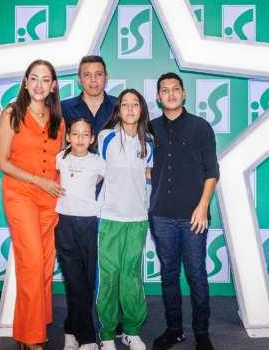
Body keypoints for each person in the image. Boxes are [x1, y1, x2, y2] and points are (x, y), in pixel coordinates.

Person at [0, 59, 65, 350]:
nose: (39, 85)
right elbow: (1, 161)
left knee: (45, 266)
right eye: (34, 78)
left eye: (45, 79)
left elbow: (61, 161)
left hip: (50, 199)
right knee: (32, 263)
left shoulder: (58, 119)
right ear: (25, 82)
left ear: (53, 86)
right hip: (20, 195)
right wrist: (38, 180)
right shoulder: (12, 113)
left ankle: (29, 329)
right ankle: (33, 338)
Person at [148, 73, 219, 350]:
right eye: (164, 90)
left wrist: (203, 207)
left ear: (184, 93)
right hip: (161, 215)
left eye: (175, 89)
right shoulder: (150, 128)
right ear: (158, 97)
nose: (171, 94)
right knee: (168, 274)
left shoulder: (201, 127)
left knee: (196, 274)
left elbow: (212, 171)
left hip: (193, 216)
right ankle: (174, 329)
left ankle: (201, 332)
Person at [95, 89, 154, 350]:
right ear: (118, 110)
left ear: (142, 109)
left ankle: (131, 330)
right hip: (109, 217)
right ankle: (107, 334)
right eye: (125, 104)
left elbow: (149, 176)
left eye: (135, 104)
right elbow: (96, 173)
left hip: (137, 219)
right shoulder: (106, 137)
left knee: (131, 275)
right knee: (109, 276)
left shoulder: (149, 142)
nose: (130, 109)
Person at [55, 118, 106, 350]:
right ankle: (87, 338)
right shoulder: (60, 158)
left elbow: (110, 181)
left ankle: (70, 329)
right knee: (73, 281)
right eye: (75, 134)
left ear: (92, 138)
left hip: (89, 223)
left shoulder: (98, 162)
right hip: (64, 223)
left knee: (86, 282)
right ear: (68, 136)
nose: (80, 139)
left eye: (85, 134)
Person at [62, 55, 117, 132]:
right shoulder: (64, 108)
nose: (93, 79)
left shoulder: (119, 106)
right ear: (79, 79)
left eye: (98, 74)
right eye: (87, 75)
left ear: (106, 78)